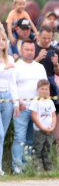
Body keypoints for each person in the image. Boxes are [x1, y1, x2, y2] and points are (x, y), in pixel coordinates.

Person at [12, 41, 47, 174]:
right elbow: (13, 86)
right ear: (21, 51)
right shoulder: (16, 67)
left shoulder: (40, 67)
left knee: (31, 139)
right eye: (26, 49)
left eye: (32, 50)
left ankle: (27, 167)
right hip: (21, 108)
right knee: (19, 138)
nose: (29, 52)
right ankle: (17, 167)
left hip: (36, 109)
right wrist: (17, 102)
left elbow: (45, 86)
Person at [0, 30, 18, 175]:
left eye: (3, 39)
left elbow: (13, 83)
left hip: (7, 97)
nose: (1, 42)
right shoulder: (6, 64)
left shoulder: (10, 59)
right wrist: (3, 68)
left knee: (2, 135)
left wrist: (16, 103)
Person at [30, 80, 56, 172]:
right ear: (38, 89)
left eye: (46, 89)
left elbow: (53, 115)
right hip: (39, 130)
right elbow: (33, 116)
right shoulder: (35, 101)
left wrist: (52, 127)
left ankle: (47, 168)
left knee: (47, 149)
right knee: (38, 149)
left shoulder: (50, 102)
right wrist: (42, 128)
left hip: (49, 130)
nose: (45, 91)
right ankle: (37, 168)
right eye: (42, 89)